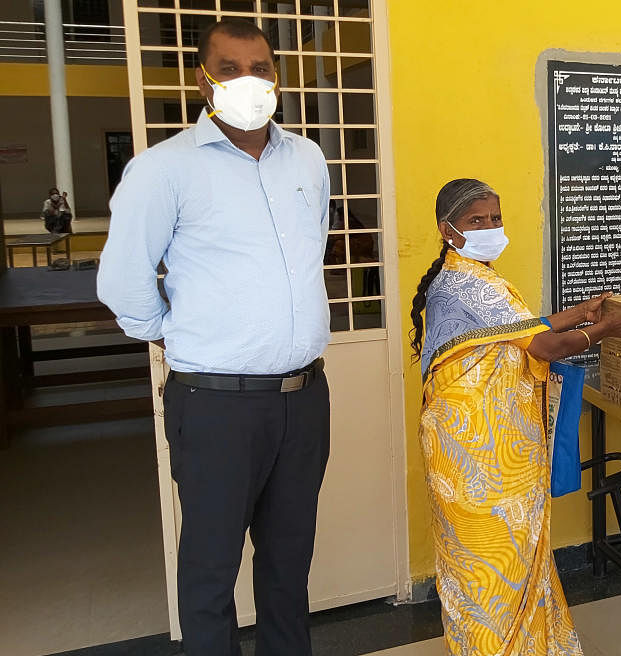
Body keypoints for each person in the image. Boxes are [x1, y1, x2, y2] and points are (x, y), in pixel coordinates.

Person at [97, 19, 331, 656]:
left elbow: (314, 247)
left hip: (305, 399)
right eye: (230, 68)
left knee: (289, 567)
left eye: (260, 67)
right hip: (216, 406)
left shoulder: (307, 159)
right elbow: (123, 282)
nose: (247, 81)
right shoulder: (162, 170)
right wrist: (173, 337)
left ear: (276, 75)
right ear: (203, 79)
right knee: (210, 568)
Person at [412, 178, 621, 655]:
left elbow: (521, 330)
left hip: (489, 452)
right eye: (477, 221)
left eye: (495, 218)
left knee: (508, 559)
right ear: (447, 230)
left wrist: (579, 312)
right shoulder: (469, 282)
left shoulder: (473, 277)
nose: (491, 228)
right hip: (476, 456)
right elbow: (544, 345)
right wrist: (604, 330)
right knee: (489, 566)